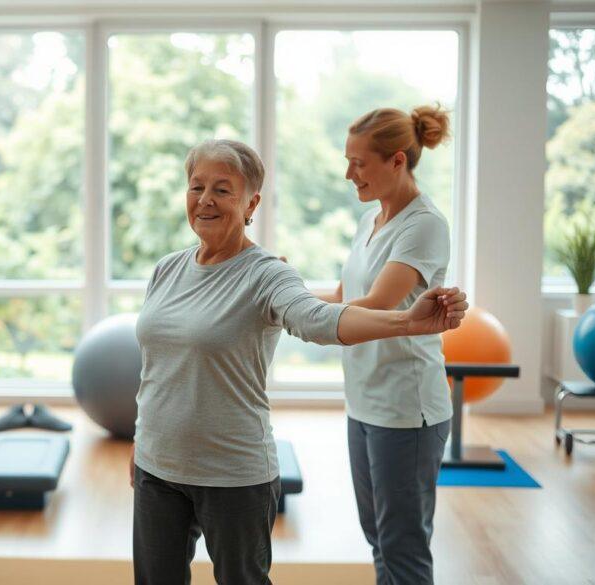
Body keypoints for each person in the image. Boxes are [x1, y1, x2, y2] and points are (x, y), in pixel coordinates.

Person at [129, 138, 467, 585]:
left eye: (222, 189)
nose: (205, 200)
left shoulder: (267, 273)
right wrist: (140, 439)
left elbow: (319, 320)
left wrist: (406, 322)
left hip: (234, 475)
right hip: (158, 467)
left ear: (252, 202)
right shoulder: (167, 269)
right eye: (196, 187)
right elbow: (154, 370)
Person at [314, 105, 454, 585]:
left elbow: (375, 305)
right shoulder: (371, 220)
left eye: (359, 162)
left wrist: (304, 316)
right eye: (348, 160)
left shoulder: (424, 224)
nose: (348, 173)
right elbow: (341, 298)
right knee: (378, 535)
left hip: (406, 408)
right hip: (365, 401)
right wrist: (274, 286)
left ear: (397, 160)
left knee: (402, 545)